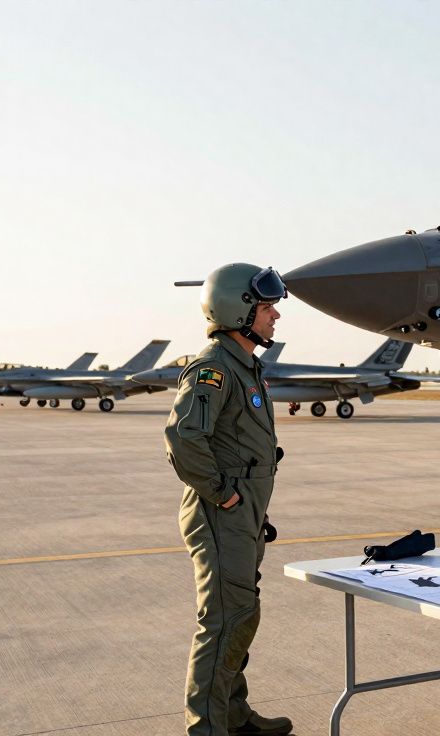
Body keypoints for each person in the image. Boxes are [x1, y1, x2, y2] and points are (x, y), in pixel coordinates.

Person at [165, 263, 291, 736]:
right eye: (266, 307)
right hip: (222, 517)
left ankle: (233, 716)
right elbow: (183, 439)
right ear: (239, 310)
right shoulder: (214, 367)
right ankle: (208, 729)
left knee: (240, 617)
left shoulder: (245, 365)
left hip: (241, 518)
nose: (275, 316)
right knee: (222, 624)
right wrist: (226, 496)